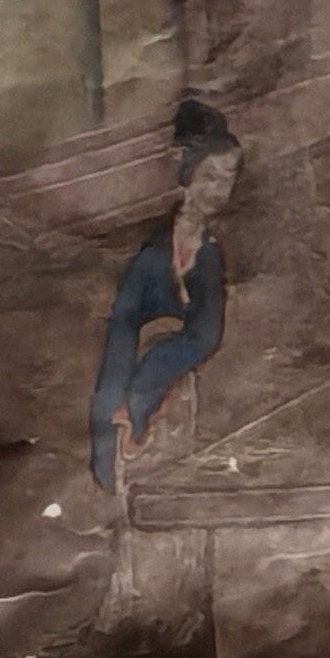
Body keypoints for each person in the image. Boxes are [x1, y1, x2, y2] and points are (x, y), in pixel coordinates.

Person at [88, 101, 241, 493]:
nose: (218, 190)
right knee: (113, 379)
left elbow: (206, 334)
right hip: (143, 327)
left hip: (172, 349)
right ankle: (109, 461)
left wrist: (155, 365)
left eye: (227, 178)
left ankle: (134, 431)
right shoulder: (153, 252)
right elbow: (124, 320)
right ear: (187, 180)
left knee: (175, 362)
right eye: (208, 177)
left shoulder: (209, 254)